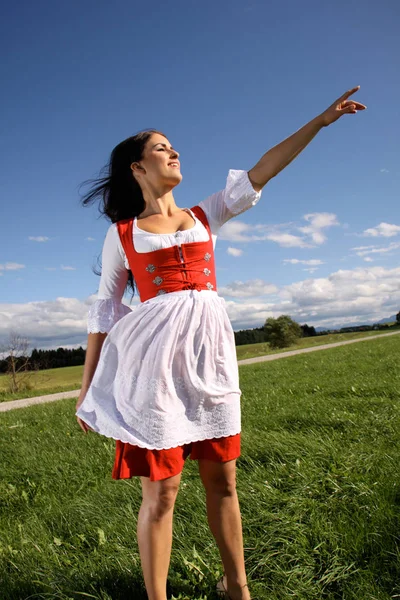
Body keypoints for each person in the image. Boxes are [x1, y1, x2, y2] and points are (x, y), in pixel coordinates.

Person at [76, 86, 365, 600]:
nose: (174, 152)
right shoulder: (123, 234)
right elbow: (104, 314)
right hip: (154, 367)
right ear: (137, 169)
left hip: (209, 360)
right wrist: (87, 390)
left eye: (174, 146)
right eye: (161, 148)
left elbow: (263, 169)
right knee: (161, 492)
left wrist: (321, 121)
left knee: (224, 482)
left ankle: (237, 587)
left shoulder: (206, 214)